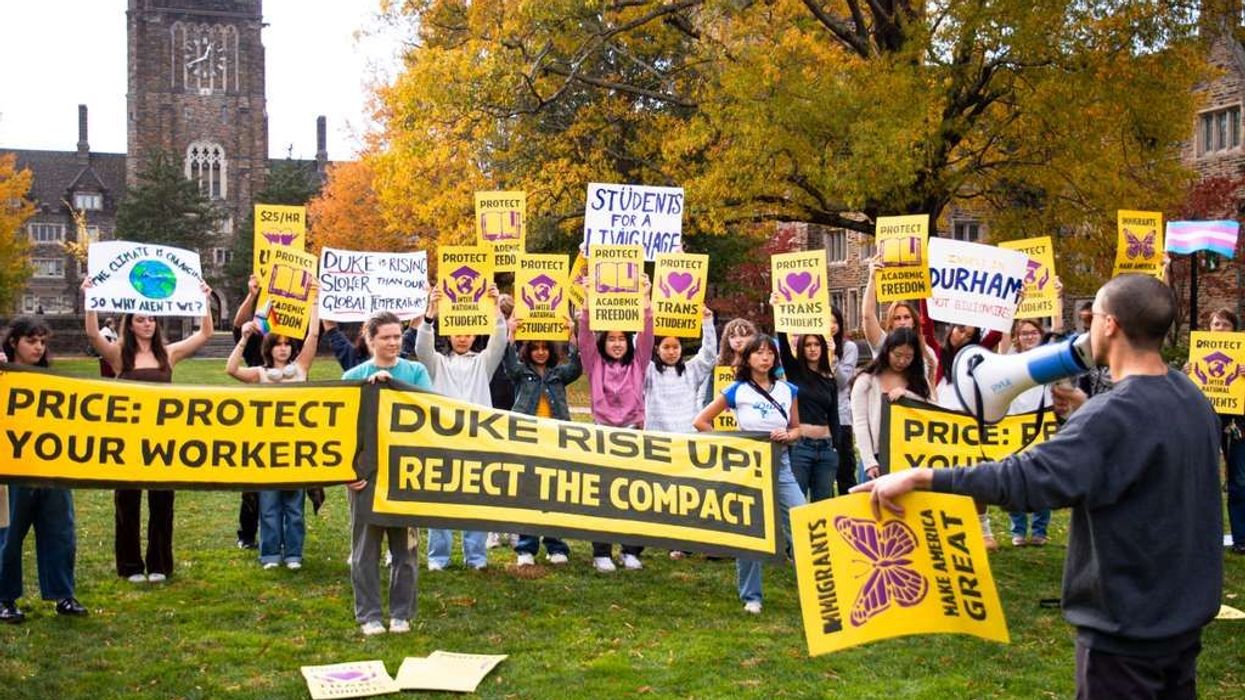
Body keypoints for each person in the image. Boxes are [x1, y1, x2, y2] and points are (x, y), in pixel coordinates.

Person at [855, 274, 1222, 699]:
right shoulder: (1190, 395)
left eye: (1094, 316)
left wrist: (923, 476)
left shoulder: (1111, 416)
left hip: (1125, 632)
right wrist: (1087, 409)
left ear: (1110, 325)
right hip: (1181, 619)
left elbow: (1024, 479)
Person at [84, 279, 215, 583]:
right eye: (141, 319)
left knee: (162, 502)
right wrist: (90, 298)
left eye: (151, 319)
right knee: (127, 502)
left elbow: (205, 334)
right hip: (129, 439)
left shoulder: (168, 354)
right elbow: (92, 334)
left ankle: (159, 564)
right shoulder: (119, 355)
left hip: (162, 439)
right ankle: (130, 566)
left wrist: (204, 301)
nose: (147, 324)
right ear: (129, 325)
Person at [693, 335, 805, 614]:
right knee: (751, 531)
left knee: (802, 521)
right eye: (759, 353)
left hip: (781, 464)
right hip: (749, 467)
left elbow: (797, 429)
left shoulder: (788, 390)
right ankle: (751, 597)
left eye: (770, 353)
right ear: (748, 358)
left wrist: (789, 435)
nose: (765, 358)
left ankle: (813, 589)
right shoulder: (737, 390)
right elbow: (701, 421)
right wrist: (734, 444)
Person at [342, 311, 431, 635]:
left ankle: (401, 614)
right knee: (365, 549)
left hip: (404, 472)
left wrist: (392, 388)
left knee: (405, 549)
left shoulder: (416, 372)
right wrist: (347, 471)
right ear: (370, 340)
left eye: (397, 336)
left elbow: (427, 411)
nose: (394, 342)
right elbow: (342, 429)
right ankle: (369, 615)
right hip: (365, 476)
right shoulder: (353, 376)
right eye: (386, 337)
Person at [0, 319, 88, 623]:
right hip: (11, 471)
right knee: (8, 535)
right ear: (13, 342)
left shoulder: (52, 380)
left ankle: (63, 595)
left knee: (60, 532)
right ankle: (4, 598)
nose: (38, 347)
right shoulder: (4, 376)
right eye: (31, 341)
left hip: (51, 470)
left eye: (42, 341)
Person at [226, 293, 321, 570]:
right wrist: (244, 337)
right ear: (269, 349)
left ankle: (293, 554)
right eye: (277, 344)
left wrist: (315, 303)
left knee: (294, 507)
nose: (283, 348)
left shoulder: (300, 369)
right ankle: (270, 555)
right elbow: (231, 369)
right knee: (268, 506)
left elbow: (314, 336)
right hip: (267, 447)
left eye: (287, 344)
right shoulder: (260, 373)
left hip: (295, 447)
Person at [415, 282, 507, 571]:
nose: (463, 338)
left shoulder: (482, 363)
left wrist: (495, 309)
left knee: (475, 501)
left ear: (475, 334)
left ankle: (476, 557)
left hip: (476, 440)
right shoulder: (437, 364)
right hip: (443, 440)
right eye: (457, 333)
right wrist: (430, 314)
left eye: (468, 333)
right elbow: (421, 348)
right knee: (440, 500)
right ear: (449, 333)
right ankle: (438, 557)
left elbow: (499, 341)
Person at [578, 279, 655, 572]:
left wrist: (645, 298)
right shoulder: (594, 363)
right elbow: (584, 336)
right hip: (602, 433)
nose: (617, 343)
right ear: (603, 342)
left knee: (634, 494)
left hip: (633, 433)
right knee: (603, 495)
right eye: (611, 339)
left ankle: (631, 550)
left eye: (622, 338)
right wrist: (588, 300)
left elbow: (647, 335)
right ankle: (601, 552)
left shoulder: (639, 363)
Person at [503, 319, 581, 566]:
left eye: (544, 347)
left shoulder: (558, 375)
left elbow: (576, 367)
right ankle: (526, 548)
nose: (540, 352)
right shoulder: (521, 373)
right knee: (528, 493)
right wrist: (511, 333)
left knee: (554, 493)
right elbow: (509, 362)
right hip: (527, 440)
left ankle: (555, 545)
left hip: (555, 440)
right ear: (528, 350)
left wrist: (572, 336)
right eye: (535, 347)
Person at [645, 307, 717, 559]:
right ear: (657, 349)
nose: (671, 351)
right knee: (660, 494)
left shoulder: (691, 371)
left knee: (685, 494)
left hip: (686, 442)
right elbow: (637, 349)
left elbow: (709, 355)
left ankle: (683, 542)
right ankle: (660, 537)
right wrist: (645, 314)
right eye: (666, 347)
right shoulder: (648, 372)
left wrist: (707, 321)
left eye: (675, 347)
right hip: (658, 442)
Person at [771, 307, 839, 501]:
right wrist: (778, 308)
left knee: (823, 504)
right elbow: (784, 345)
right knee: (797, 502)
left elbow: (834, 416)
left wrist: (836, 448)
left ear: (822, 347)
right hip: (801, 447)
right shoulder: (794, 371)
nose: (813, 348)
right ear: (802, 347)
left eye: (816, 344)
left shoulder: (829, 379)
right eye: (808, 344)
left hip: (826, 449)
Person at [850, 327, 931, 482]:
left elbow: (931, 408)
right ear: (887, 350)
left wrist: (907, 394)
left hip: (910, 459)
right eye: (897, 355)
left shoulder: (919, 381)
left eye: (908, 357)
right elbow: (860, 423)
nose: (902, 361)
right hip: (876, 459)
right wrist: (869, 462)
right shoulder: (866, 380)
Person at [1005, 317, 1059, 547]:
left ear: (1040, 334)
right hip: (1015, 425)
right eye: (1024, 333)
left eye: (1033, 332)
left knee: (1041, 477)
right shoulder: (1010, 361)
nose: (1029, 337)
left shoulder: (1048, 359)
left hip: (1041, 424)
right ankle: (1018, 530)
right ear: (1017, 338)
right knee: (1014, 477)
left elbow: (1057, 331)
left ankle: (1039, 530)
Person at [230, 275, 266, 550]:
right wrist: (252, 296)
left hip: (291, 416)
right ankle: (247, 533)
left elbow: (315, 334)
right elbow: (237, 326)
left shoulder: (294, 342)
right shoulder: (257, 340)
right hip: (258, 416)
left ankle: (282, 536)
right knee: (253, 479)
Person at [1205, 308, 1245, 556]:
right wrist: (1188, 374)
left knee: (1239, 480)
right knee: (1203, 478)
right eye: (1216, 324)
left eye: (1225, 325)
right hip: (1208, 421)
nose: (1220, 329)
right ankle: (1204, 536)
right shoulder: (1198, 356)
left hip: (1239, 425)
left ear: (1234, 329)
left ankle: (1241, 538)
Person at [829, 306, 859, 497]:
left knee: (845, 471)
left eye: (835, 321)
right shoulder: (810, 347)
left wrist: (832, 357)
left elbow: (842, 381)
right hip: (818, 419)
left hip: (841, 417)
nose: (831, 326)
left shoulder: (849, 348)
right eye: (827, 321)